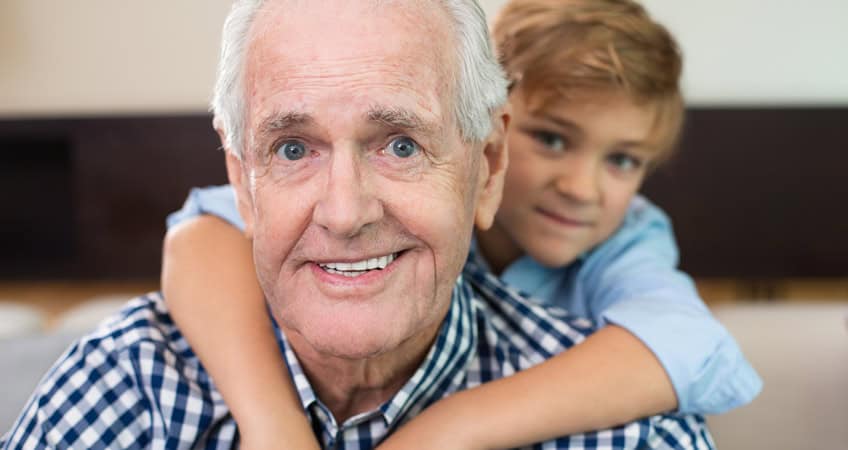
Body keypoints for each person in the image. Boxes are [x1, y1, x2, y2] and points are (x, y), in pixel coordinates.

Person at [2, 0, 716, 449]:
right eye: (292, 148)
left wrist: (445, 432)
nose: (344, 214)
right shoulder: (127, 381)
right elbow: (198, 240)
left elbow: (688, 343)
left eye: (402, 145)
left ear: (485, 162)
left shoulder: (629, 419)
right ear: (242, 180)